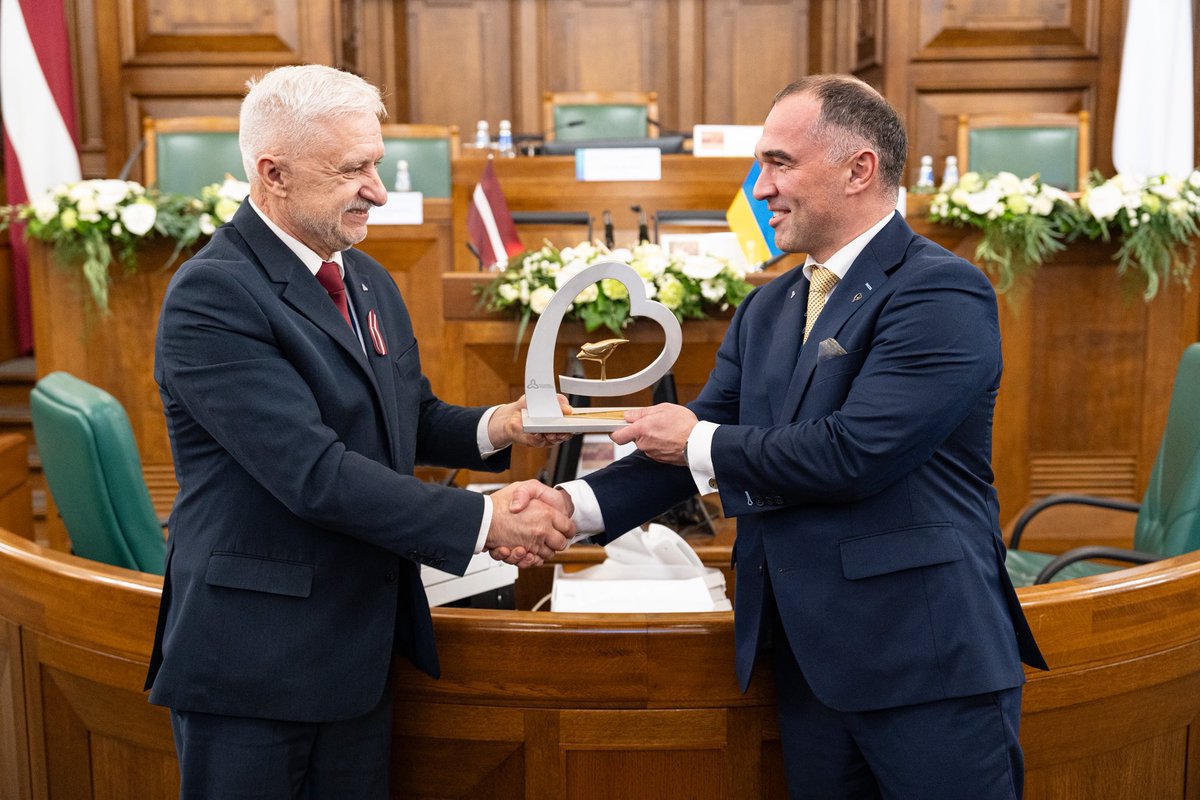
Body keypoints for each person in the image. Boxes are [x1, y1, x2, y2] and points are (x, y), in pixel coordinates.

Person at [517, 74, 1048, 798]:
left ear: (858, 169)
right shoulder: (767, 308)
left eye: (778, 163)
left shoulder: (939, 290)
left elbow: (854, 452)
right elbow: (689, 447)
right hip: (805, 662)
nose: (761, 187)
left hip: (925, 660)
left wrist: (697, 441)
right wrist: (568, 508)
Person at [145, 64, 573, 799]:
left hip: (359, 650)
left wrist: (504, 424)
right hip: (256, 663)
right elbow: (315, 475)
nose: (378, 189)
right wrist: (486, 520)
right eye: (352, 170)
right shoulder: (213, 296)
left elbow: (409, 416)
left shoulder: (364, 276)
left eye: (376, 164)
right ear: (273, 174)